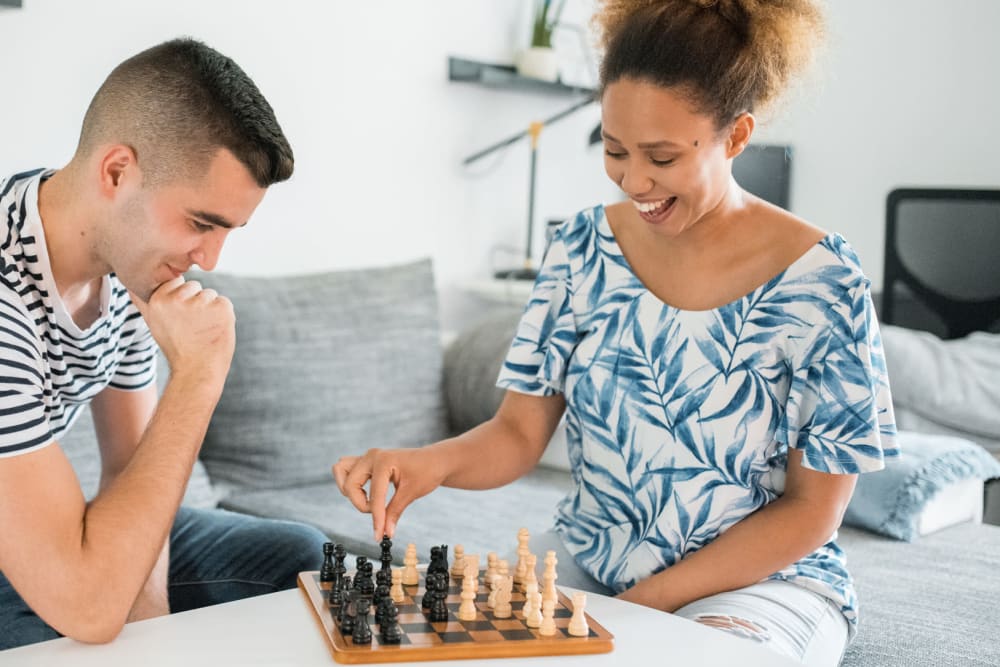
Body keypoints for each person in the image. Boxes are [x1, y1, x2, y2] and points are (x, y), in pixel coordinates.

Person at [334, 1, 898, 664]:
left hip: (760, 585)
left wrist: (646, 606)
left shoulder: (823, 278)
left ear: (737, 135)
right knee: (441, 642)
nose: (634, 181)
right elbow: (518, 434)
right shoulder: (579, 250)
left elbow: (812, 512)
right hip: (592, 558)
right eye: (614, 149)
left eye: (661, 156)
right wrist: (429, 462)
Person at [0, 39, 328, 650]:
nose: (209, 260)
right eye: (202, 224)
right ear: (116, 172)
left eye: (228, 232)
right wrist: (199, 376)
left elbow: (130, 473)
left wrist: (153, 634)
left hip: (41, 535)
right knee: (79, 630)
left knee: (302, 558)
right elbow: (92, 610)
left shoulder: (127, 266)